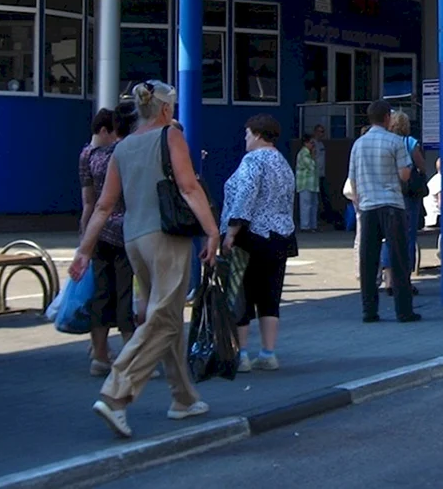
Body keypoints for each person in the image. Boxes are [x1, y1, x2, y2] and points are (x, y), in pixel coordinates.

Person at [70, 81, 220, 440]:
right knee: (164, 320)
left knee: (164, 315)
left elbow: (104, 205)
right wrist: (212, 231)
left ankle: (183, 397)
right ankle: (117, 392)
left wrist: (85, 249)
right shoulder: (170, 135)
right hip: (166, 237)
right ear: (166, 109)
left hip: (133, 239)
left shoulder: (123, 146)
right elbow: (188, 186)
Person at [222, 114, 296, 372]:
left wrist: (231, 232)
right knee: (270, 296)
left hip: (251, 236)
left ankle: (241, 354)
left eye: (246, 133)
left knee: (241, 294)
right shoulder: (283, 163)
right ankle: (268, 352)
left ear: (256, 134)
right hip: (281, 236)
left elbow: (245, 195)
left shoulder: (252, 160)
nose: (244, 138)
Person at [79, 103, 139, 376]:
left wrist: (85, 237)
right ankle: (130, 357)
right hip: (125, 229)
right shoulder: (121, 153)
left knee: (101, 294)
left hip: (98, 231)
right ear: (106, 130)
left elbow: (89, 201)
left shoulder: (86, 155)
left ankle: (99, 356)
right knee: (125, 293)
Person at [348, 100, 421, 323]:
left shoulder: (358, 144)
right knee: (398, 259)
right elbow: (405, 175)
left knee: (368, 261)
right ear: (387, 118)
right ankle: (404, 311)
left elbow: (353, 178)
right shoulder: (395, 141)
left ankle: (369, 311)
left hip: (368, 206)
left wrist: (359, 201)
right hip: (391, 205)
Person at [379, 110, 427, 295]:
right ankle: (404, 280)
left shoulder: (385, 143)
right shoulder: (410, 143)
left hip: (388, 192)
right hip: (408, 195)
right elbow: (422, 166)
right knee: (408, 237)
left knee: (388, 238)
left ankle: (388, 280)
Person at [295, 133, 319, 232]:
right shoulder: (303, 153)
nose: (313, 145)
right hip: (305, 184)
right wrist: (313, 155)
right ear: (306, 143)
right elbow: (312, 165)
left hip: (312, 184)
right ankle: (305, 226)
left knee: (314, 205)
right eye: (311, 143)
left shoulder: (308, 153)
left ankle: (313, 226)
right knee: (306, 205)